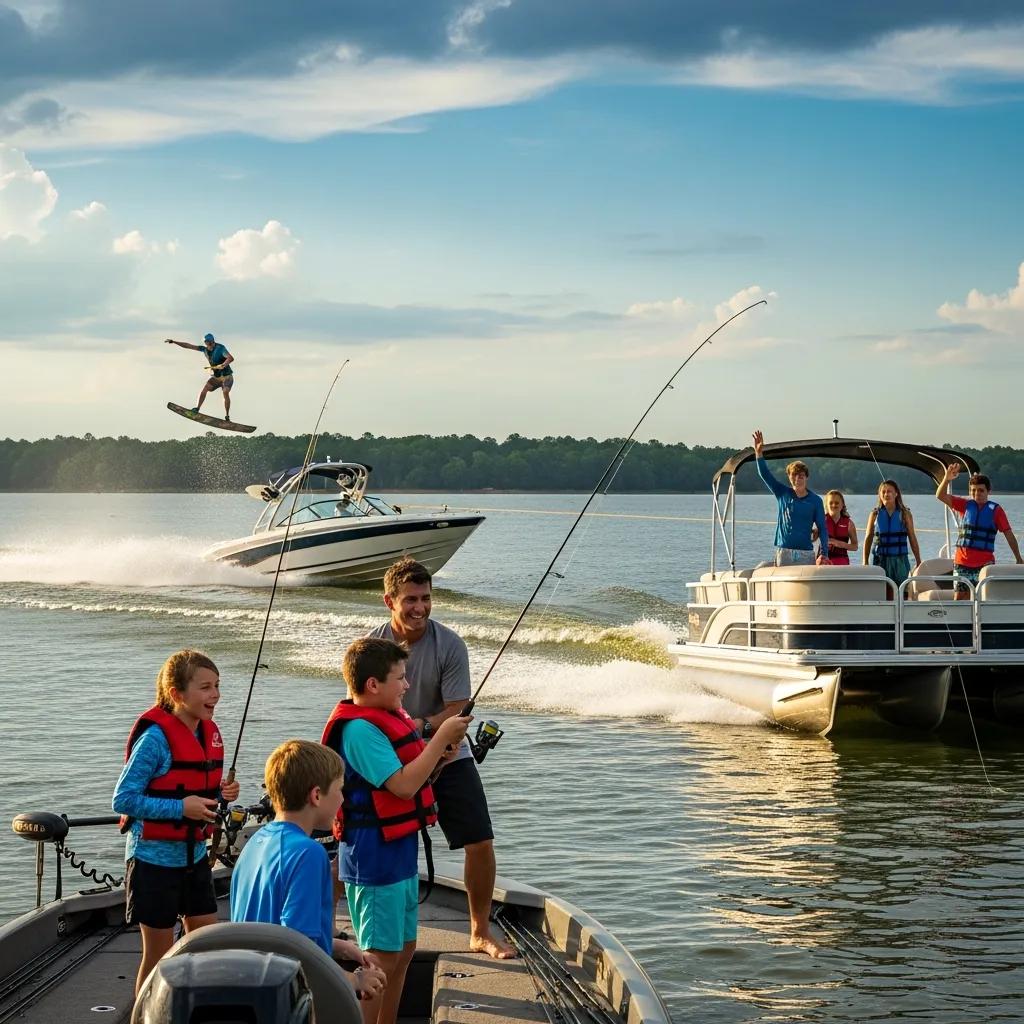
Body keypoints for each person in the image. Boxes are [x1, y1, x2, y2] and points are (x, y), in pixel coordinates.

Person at [368, 558, 516, 959]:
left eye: (426, 598)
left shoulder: (450, 645)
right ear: (389, 601)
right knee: (357, 836)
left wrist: (423, 728)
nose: (420, 608)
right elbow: (362, 708)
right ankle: (337, 929)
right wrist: (406, 737)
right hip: (391, 757)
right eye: (410, 600)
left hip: (449, 752)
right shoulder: (372, 647)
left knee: (480, 840)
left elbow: (457, 709)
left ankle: (480, 931)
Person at [323, 637, 470, 1024]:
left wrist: (439, 758)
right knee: (379, 960)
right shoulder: (360, 731)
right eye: (400, 678)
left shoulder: (390, 719)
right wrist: (439, 738)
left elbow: (412, 782)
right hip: (374, 860)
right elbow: (402, 786)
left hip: (400, 854)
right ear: (373, 685)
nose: (407, 685)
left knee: (403, 951)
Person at [112, 649, 241, 995]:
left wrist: (222, 792)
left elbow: (196, 791)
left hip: (194, 857)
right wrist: (180, 808)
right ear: (177, 694)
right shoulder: (154, 740)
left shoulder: (207, 734)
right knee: (158, 956)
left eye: (217, 685)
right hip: (152, 860)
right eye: (205, 687)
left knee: (204, 945)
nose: (215, 695)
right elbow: (123, 799)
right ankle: (143, 1016)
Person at [229, 739, 386, 1006]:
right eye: (340, 790)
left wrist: (342, 947)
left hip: (250, 989)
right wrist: (353, 980)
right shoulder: (308, 854)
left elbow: (273, 933)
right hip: (283, 1000)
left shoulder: (256, 842)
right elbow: (297, 949)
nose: (343, 799)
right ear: (316, 796)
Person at [936, 463, 1023, 598]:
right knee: (960, 598)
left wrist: (1018, 558)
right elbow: (940, 495)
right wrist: (947, 479)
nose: (977, 494)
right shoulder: (964, 505)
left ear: (988, 491)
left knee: (983, 598)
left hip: (985, 564)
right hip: (962, 563)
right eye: (973, 490)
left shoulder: (996, 511)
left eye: (981, 490)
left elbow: (1008, 534)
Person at [752, 430, 830, 566]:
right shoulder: (782, 493)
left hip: (806, 553)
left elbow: (822, 528)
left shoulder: (815, 501)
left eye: (801, 475)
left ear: (806, 477)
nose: (797, 478)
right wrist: (758, 453)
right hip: (784, 552)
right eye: (794, 475)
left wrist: (824, 554)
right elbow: (765, 475)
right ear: (789, 477)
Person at [863, 479, 921, 587]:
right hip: (880, 560)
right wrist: (865, 561)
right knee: (881, 589)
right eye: (883, 492)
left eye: (889, 491)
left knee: (901, 589)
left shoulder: (905, 514)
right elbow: (868, 538)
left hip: (900, 560)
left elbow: (912, 538)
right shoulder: (875, 514)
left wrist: (918, 560)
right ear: (879, 495)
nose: (886, 494)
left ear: (896, 494)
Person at [165, 332, 234, 421]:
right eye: (207, 342)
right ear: (205, 343)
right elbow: (188, 346)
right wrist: (174, 342)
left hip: (227, 377)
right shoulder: (204, 349)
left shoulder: (220, 348)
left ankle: (227, 416)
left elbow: (230, 358)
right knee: (205, 389)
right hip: (216, 377)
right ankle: (197, 409)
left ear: (213, 341)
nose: (209, 344)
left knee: (225, 392)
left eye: (210, 342)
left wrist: (224, 364)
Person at [812, 489, 858, 565]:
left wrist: (840, 543)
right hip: (823, 560)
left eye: (837, 503)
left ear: (842, 505)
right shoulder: (822, 520)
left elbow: (855, 546)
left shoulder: (849, 523)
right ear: (826, 505)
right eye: (831, 503)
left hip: (841, 560)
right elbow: (812, 539)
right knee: (822, 562)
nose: (834, 505)